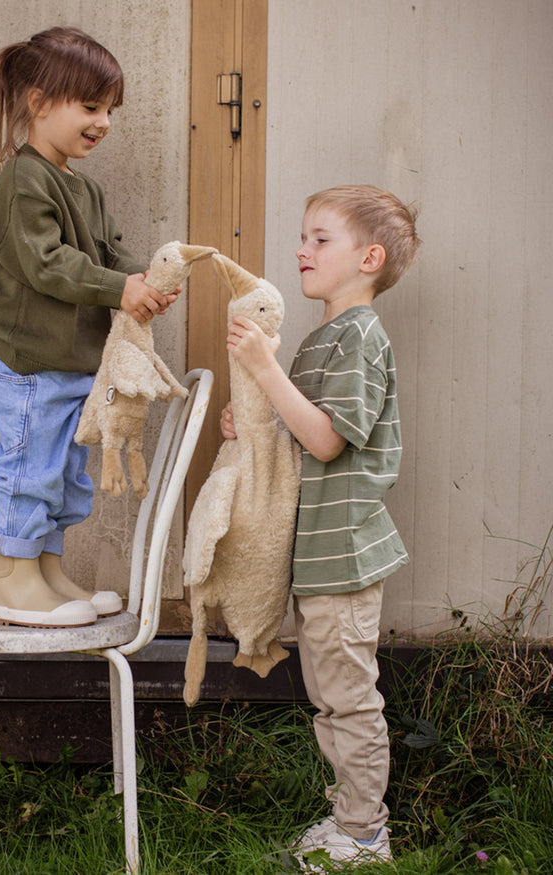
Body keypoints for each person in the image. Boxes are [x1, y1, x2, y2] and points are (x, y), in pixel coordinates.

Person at [223, 185, 420, 870]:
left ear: (369, 258)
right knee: (332, 698)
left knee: (347, 700)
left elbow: (330, 439)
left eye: (320, 239)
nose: (302, 249)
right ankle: (351, 817)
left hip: (344, 554)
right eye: (303, 237)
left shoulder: (361, 336)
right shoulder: (324, 337)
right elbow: (297, 431)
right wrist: (251, 416)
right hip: (321, 556)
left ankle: (365, 833)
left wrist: (263, 366)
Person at [0, 26, 177, 628]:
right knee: (29, 468)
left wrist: (145, 277)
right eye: (90, 106)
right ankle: (9, 580)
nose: (104, 121)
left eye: (109, 109)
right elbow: (47, 264)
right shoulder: (24, 180)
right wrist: (121, 290)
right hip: (28, 366)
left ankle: (46, 571)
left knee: (63, 476)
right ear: (38, 103)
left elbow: (106, 254)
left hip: (67, 367)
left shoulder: (84, 188)